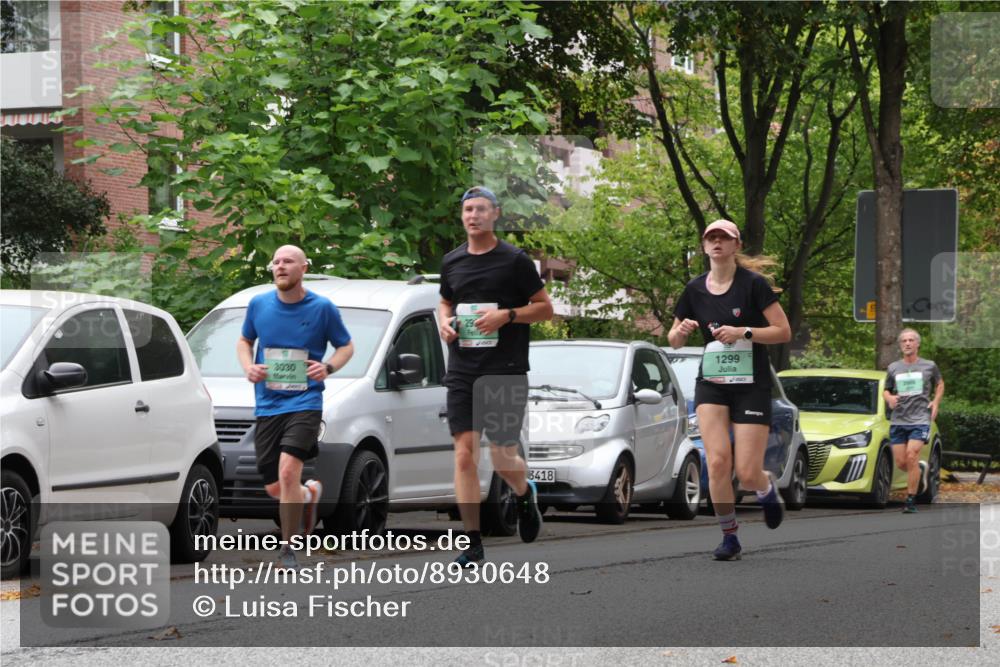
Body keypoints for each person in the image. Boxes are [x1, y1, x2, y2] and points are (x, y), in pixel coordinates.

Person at [438, 186, 554, 567]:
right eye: (468, 210)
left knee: (502, 455)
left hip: (504, 369)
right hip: (462, 369)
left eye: (481, 210)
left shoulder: (514, 260)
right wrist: (444, 322)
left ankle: (523, 492)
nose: (474, 216)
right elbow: (445, 300)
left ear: (495, 214)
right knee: (464, 456)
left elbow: (545, 309)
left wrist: (507, 316)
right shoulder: (452, 261)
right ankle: (473, 542)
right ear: (462, 216)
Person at [667, 219, 792, 561]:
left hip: (751, 385)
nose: (717, 242)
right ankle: (730, 536)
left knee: (748, 473)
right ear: (705, 246)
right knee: (718, 462)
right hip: (712, 384)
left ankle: (765, 490)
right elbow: (673, 340)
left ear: (736, 245)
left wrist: (744, 332)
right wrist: (684, 330)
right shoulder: (694, 289)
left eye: (725, 237)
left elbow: (783, 332)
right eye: (712, 238)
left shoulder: (753, 285)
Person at [237, 245, 354, 569]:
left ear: (304, 267)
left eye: (288, 261)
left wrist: (328, 367)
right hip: (268, 404)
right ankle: (305, 496)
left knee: (289, 470)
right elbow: (244, 341)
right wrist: (249, 367)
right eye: (276, 261)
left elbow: (346, 346)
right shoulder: (259, 304)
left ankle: (288, 548)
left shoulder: (322, 308)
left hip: (305, 401)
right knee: (275, 483)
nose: (280, 266)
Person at [883, 328, 944, 513]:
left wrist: (936, 402)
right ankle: (919, 469)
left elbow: (940, 383)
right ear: (901, 345)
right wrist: (889, 399)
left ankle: (910, 500)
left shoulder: (929, 366)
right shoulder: (894, 367)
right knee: (902, 463)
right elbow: (886, 389)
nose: (907, 343)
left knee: (911, 455)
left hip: (920, 419)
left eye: (911, 340)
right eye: (904, 341)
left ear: (917, 344)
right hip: (899, 419)